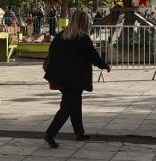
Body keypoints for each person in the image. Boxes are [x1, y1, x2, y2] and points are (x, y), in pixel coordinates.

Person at [43, 10, 110, 148]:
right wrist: (105, 66)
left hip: (59, 76)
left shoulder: (61, 36)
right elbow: (93, 56)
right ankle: (50, 133)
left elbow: (51, 53)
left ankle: (79, 133)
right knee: (67, 107)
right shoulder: (82, 38)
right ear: (84, 22)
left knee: (74, 104)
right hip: (74, 78)